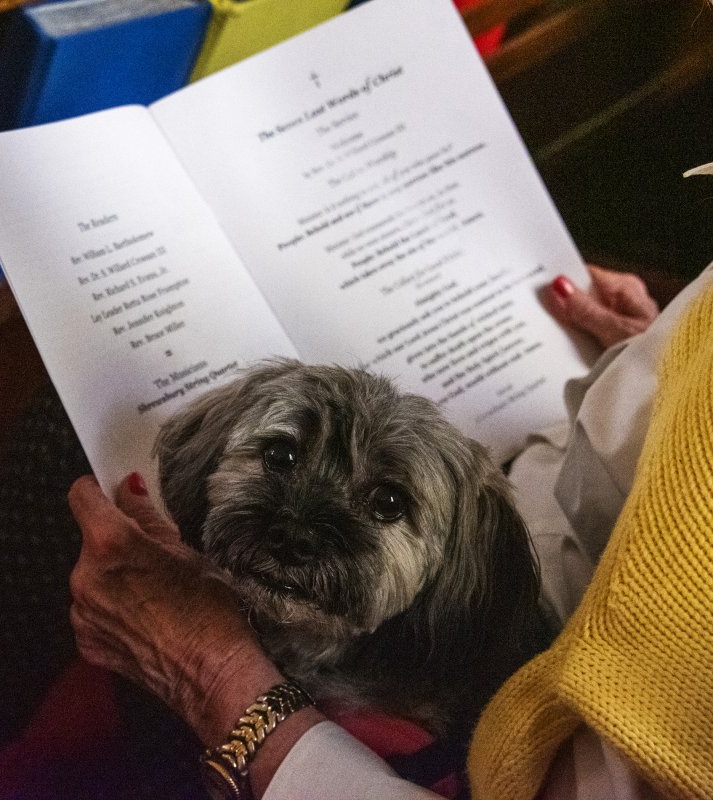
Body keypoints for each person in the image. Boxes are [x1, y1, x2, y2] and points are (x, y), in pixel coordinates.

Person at [66, 259, 713, 800]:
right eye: (282, 456)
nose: (297, 527)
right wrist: (660, 369)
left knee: (65, 469)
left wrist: (215, 677)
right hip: (538, 459)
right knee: (67, 422)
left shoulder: (412, 743)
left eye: (384, 503)